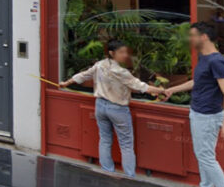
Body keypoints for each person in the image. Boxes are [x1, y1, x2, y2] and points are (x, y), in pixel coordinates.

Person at [60, 40, 164, 178]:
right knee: (126, 145)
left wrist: (66, 83)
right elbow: (141, 86)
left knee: (105, 139)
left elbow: (84, 75)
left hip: (100, 106)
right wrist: (162, 91)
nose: (125, 55)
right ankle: (129, 176)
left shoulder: (100, 65)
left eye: (126, 52)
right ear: (111, 53)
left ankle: (107, 171)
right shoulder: (121, 72)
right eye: (121, 52)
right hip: (117, 109)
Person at [162, 22, 224, 187]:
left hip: (208, 116)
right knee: (203, 154)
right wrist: (172, 90)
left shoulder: (216, 61)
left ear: (204, 37)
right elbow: (197, 82)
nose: (190, 39)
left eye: (193, 35)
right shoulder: (203, 58)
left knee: (206, 157)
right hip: (198, 113)